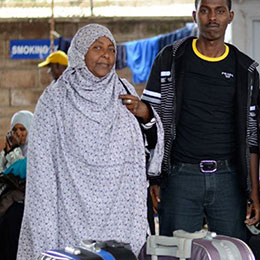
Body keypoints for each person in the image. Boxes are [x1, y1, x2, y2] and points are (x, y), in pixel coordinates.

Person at [17, 24, 164, 260]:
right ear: (80, 52)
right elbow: (42, 167)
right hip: (70, 211)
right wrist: (45, 227)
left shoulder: (124, 91)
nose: (106, 55)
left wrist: (145, 114)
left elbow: (148, 143)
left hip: (119, 213)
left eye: (111, 49)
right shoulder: (55, 99)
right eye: (97, 47)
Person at [140, 0, 260, 242]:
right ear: (195, 16)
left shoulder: (246, 69)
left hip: (230, 181)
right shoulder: (171, 59)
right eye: (205, 10)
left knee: (232, 254)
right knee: (175, 253)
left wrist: (254, 192)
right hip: (180, 178)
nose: (212, 18)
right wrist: (153, 177)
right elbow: (151, 121)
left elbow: (252, 136)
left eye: (219, 11)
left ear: (230, 16)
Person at [0, 110, 33, 260]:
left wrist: (13, 153)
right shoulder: (9, 150)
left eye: (23, 129)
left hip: (27, 207)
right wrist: (9, 153)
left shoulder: (37, 151)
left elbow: (23, 172)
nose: (18, 134)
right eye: (15, 130)